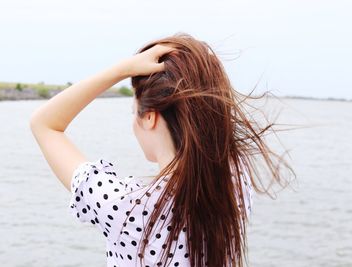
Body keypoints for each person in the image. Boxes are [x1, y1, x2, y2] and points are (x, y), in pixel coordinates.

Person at [30, 32, 293, 267]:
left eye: (134, 111)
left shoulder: (124, 207)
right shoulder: (233, 185)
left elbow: (44, 124)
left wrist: (122, 70)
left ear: (150, 117)